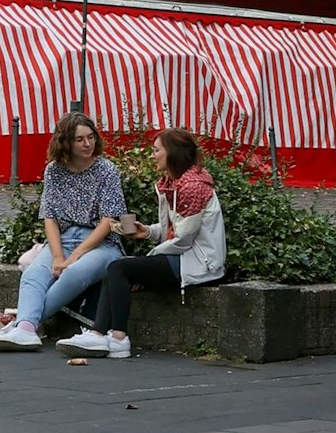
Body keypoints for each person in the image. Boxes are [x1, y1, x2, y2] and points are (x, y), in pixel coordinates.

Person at [59, 128, 226, 360]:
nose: (152, 155)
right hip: (183, 257)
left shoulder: (192, 187)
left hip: (198, 262)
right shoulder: (172, 183)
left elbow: (183, 239)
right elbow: (172, 231)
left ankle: (116, 337)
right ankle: (100, 334)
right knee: (117, 268)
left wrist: (148, 259)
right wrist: (147, 232)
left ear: (172, 153)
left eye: (156, 150)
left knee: (119, 268)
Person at [0, 112, 129, 352]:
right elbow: (50, 217)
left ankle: (24, 324)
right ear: (66, 143)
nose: (88, 144)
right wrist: (56, 256)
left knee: (72, 275)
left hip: (101, 243)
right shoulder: (54, 170)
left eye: (91, 137)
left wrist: (72, 258)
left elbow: (108, 222)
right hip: (64, 239)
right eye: (79, 139)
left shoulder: (107, 170)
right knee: (33, 275)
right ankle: (26, 329)